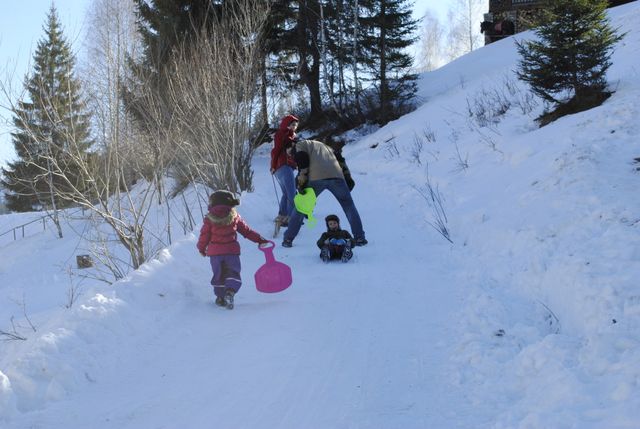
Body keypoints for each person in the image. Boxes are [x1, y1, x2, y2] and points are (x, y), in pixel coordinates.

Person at [282, 139, 367, 248]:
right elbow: (341, 161)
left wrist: (301, 182)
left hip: (316, 178)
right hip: (337, 177)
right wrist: (348, 178)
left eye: (288, 151)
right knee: (349, 206)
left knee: (300, 208)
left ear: (292, 144)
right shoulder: (326, 147)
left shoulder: (300, 144)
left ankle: (288, 239)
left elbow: (302, 159)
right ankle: (359, 238)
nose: (289, 154)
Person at [197, 190, 268, 309]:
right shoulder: (234, 217)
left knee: (218, 274)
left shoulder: (209, 219)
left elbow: (204, 236)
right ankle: (230, 292)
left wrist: (201, 248)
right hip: (231, 252)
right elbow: (247, 231)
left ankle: (220, 297)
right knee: (233, 272)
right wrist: (260, 239)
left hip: (215, 255)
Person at [270, 114, 299, 227]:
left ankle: (282, 216)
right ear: (286, 124)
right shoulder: (283, 134)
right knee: (292, 194)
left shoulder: (290, 135)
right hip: (284, 166)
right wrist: (273, 165)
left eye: (295, 125)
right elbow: (276, 150)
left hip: (281, 168)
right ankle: (291, 218)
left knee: (286, 194)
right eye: (292, 124)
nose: (294, 127)